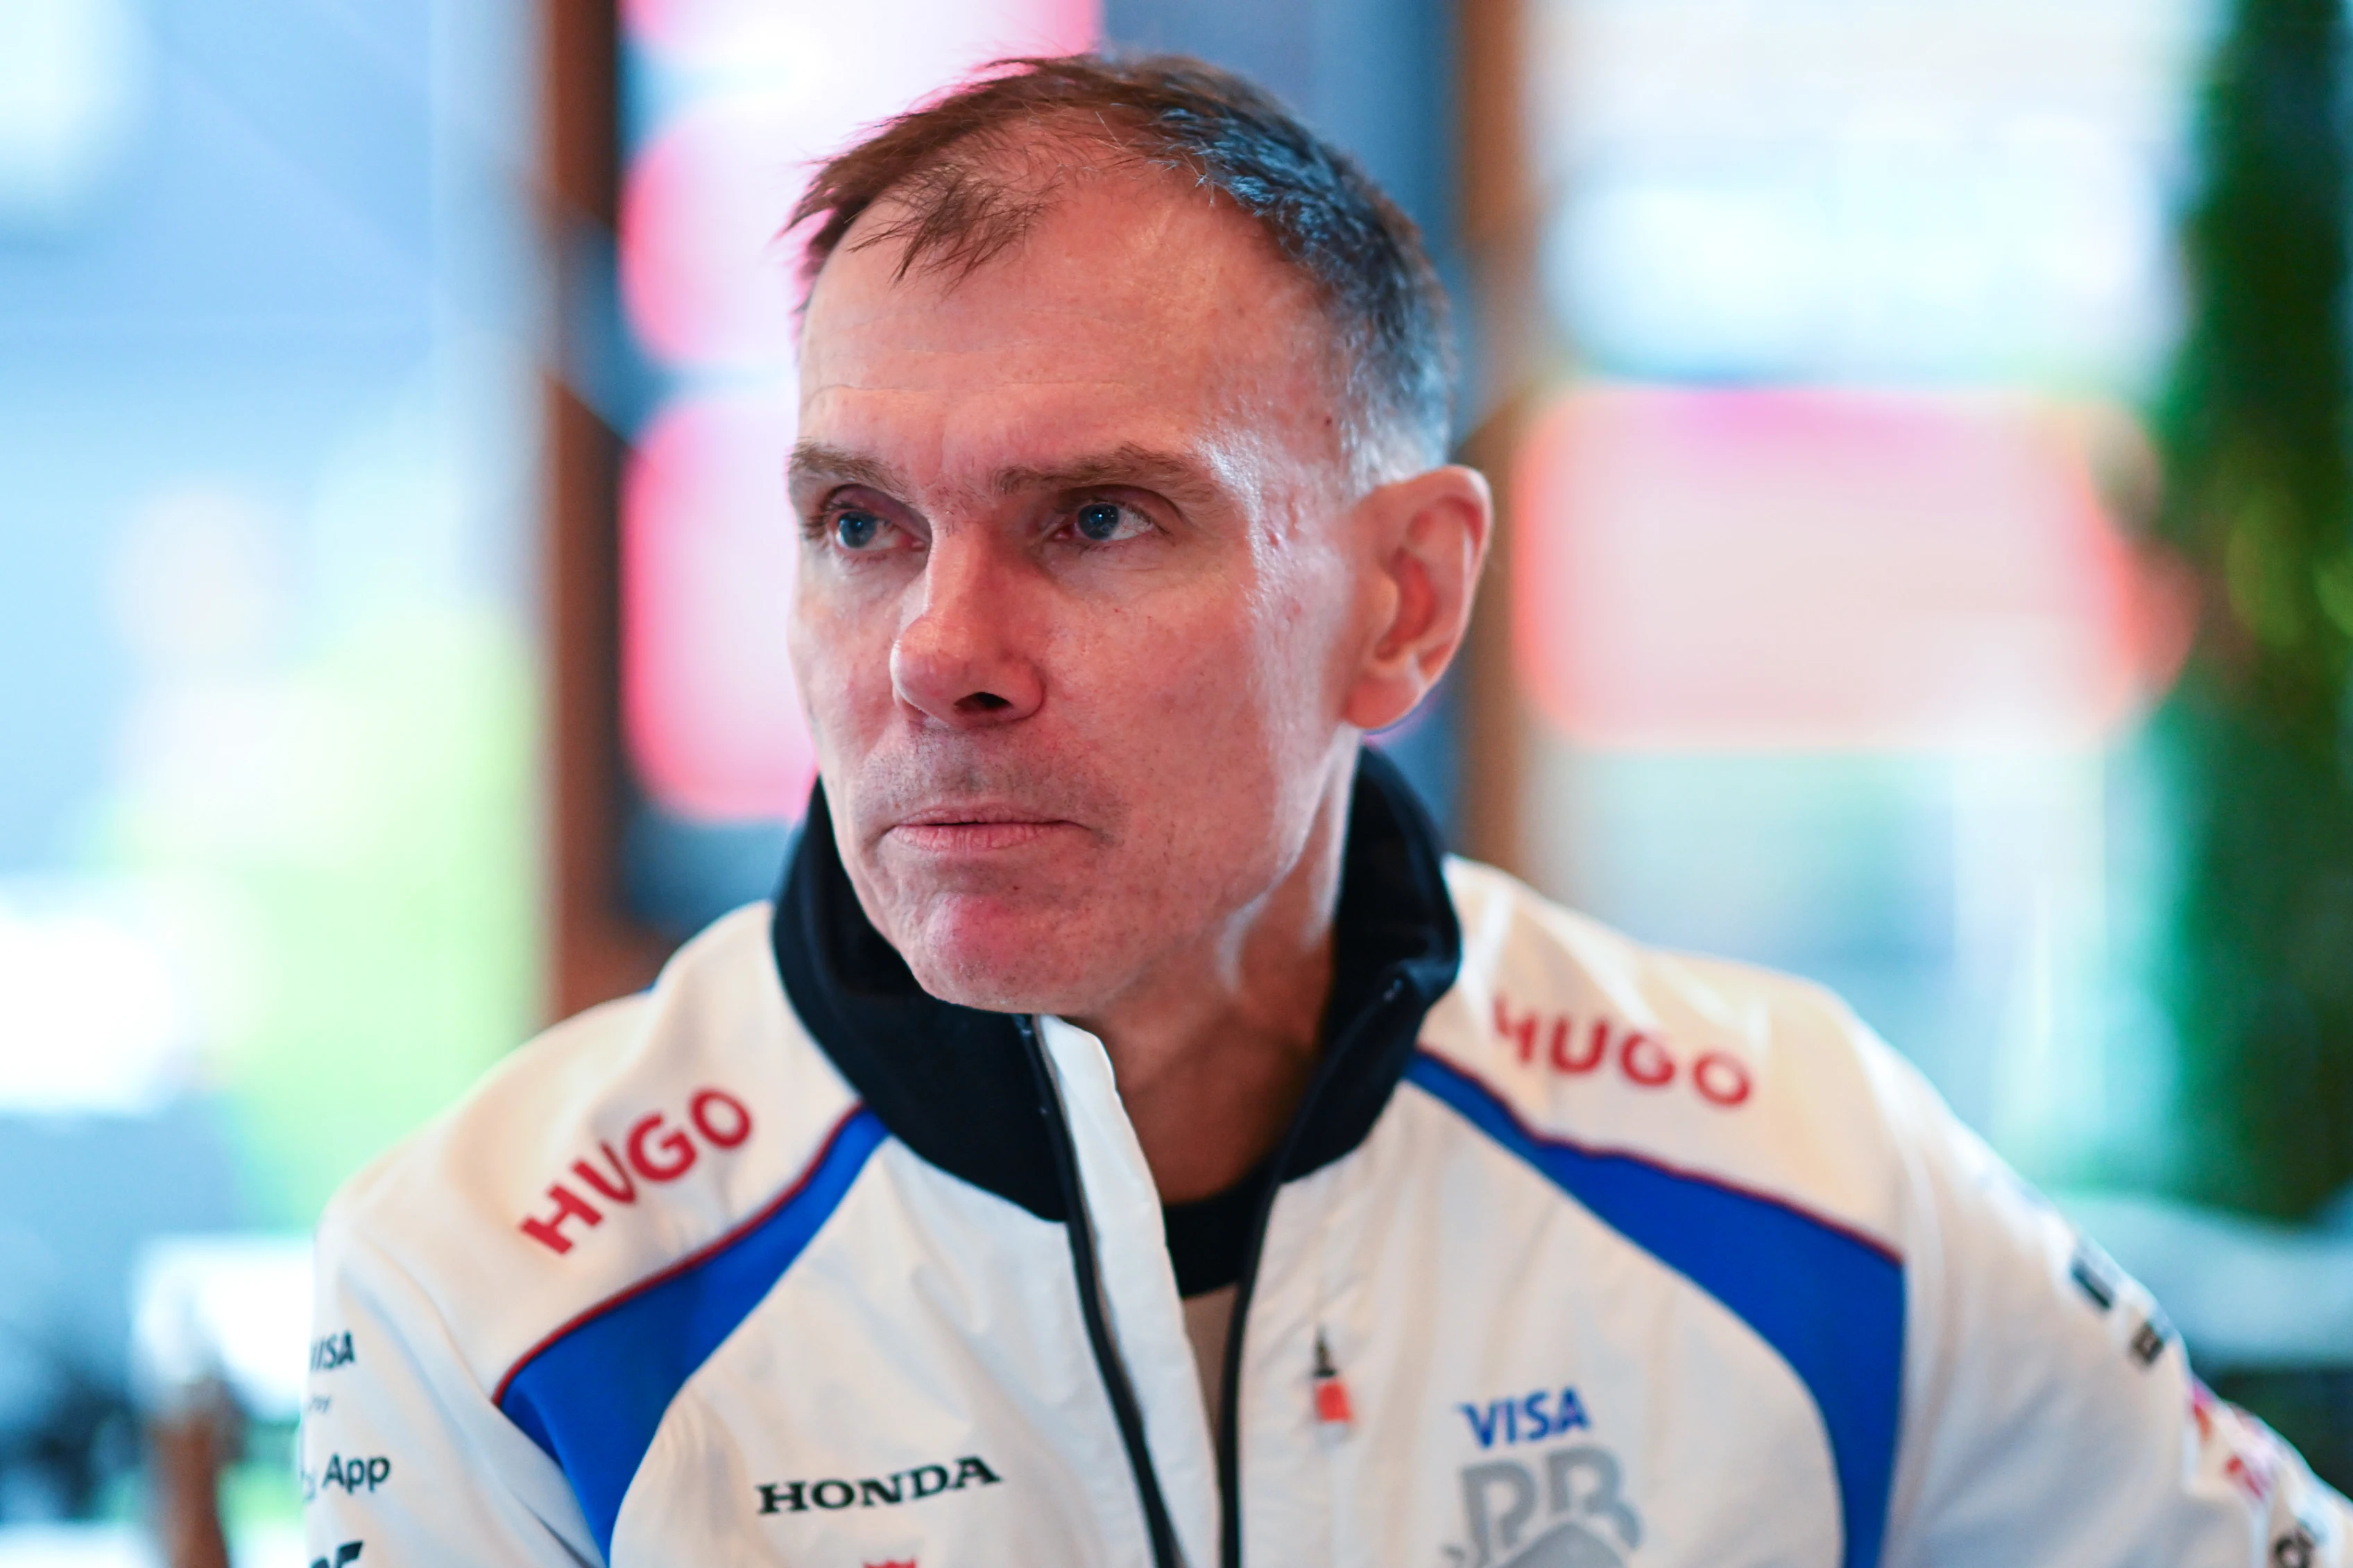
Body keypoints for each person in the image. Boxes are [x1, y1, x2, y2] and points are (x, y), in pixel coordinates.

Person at [298, 53, 2350, 1568]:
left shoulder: (1809, 1179)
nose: (938, 651)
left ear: (1404, 604)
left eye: (1098, 518)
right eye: (859, 523)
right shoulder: (496, 1294)